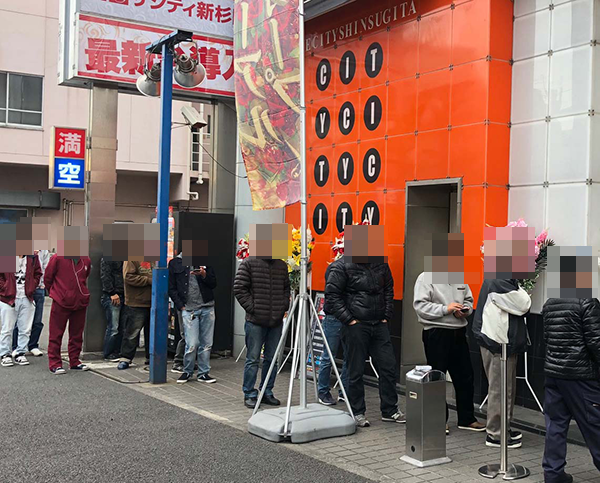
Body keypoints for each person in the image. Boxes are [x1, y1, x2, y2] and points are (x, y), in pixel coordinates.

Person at [325, 249, 405, 427]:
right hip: (356, 325)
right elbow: (332, 296)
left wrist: (386, 315)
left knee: (388, 366)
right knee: (355, 370)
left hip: (379, 323)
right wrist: (349, 320)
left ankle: (390, 409)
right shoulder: (341, 266)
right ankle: (357, 411)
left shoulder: (380, 262)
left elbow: (388, 289)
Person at [413, 274, 486, 434]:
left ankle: (467, 419)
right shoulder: (426, 278)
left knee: (465, 376)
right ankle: (438, 420)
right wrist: (446, 309)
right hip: (436, 331)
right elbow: (420, 307)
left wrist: (464, 311)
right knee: (437, 378)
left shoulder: (459, 277)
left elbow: (469, 300)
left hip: (458, 331)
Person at [542, 297, 600, 483]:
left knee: (555, 425)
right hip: (581, 376)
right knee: (595, 426)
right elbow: (596, 342)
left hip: (554, 373)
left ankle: (553, 474)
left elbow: (546, 338)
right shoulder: (587, 303)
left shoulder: (549, 303)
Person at [473, 278, 531, 448]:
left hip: (502, 343)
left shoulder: (502, 279)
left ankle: (503, 428)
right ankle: (496, 434)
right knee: (500, 390)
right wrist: (521, 291)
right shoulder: (499, 281)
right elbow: (524, 304)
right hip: (497, 344)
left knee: (506, 389)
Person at [234, 255, 290, 409]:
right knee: (253, 359)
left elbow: (286, 288)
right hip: (255, 321)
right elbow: (239, 288)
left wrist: (283, 306)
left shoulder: (281, 265)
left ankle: (267, 391)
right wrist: (253, 308)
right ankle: (249, 393)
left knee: (272, 359)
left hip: (276, 321)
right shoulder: (249, 263)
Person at [168, 252, 217, 384]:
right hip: (188, 309)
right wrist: (181, 306)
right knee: (191, 343)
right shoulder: (175, 263)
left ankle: (203, 373)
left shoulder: (204, 260)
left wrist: (204, 274)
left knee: (206, 343)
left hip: (207, 306)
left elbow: (213, 283)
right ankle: (187, 371)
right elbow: (171, 287)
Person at [45, 253, 92, 374]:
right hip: (61, 301)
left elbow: (85, 275)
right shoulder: (57, 258)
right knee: (56, 333)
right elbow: (48, 277)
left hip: (80, 300)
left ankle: (74, 361)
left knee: (77, 334)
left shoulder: (86, 259)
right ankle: (55, 363)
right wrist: (56, 293)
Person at [0, 254, 42, 367]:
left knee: (25, 328)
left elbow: (38, 273)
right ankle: (5, 354)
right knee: (7, 328)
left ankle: (21, 352)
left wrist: (32, 285)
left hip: (26, 296)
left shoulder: (32, 258)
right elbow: (2, 276)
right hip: (9, 297)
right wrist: (4, 288)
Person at [318, 259, 349, 406]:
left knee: (349, 357)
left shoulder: (348, 266)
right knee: (329, 356)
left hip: (346, 317)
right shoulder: (336, 267)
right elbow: (332, 295)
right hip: (335, 317)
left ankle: (344, 392)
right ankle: (323, 392)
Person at [12, 249, 51, 357]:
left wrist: (42, 284)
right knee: (18, 320)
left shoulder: (43, 250)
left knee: (37, 320)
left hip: (38, 287)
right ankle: (16, 346)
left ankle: (33, 345)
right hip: (19, 288)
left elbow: (45, 268)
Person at [117, 260, 152, 370]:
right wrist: (148, 280)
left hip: (154, 301)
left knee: (152, 332)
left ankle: (151, 357)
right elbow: (128, 277)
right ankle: (125, 358)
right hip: (136, 302)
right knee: (132, 332)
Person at [100, 257, 126, 362]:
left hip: (124, 294)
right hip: (112, 295)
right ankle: (109, 353)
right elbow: (105, 275)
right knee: (113, 327)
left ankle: (117, 352)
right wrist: (111, 292)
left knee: (121, 327)